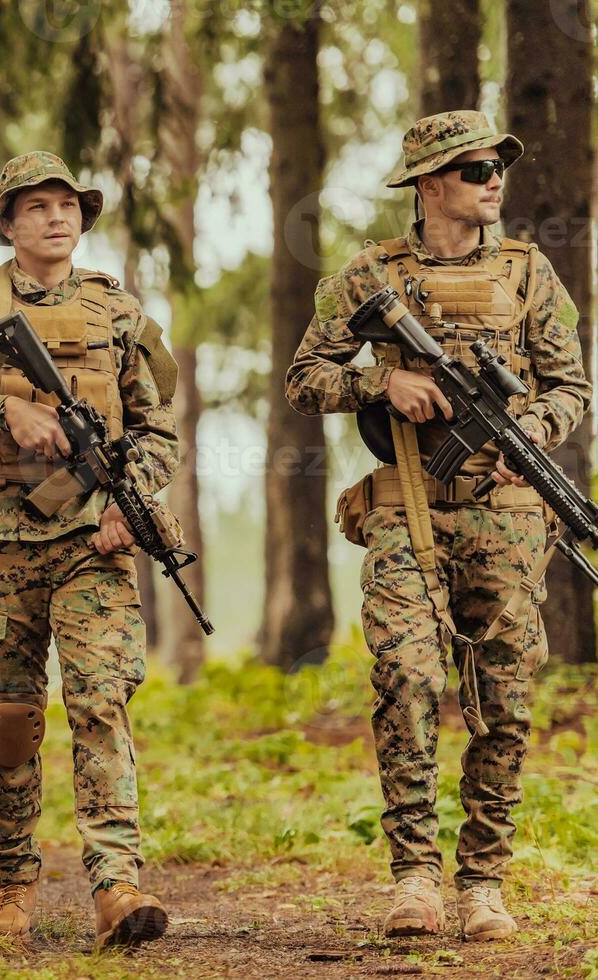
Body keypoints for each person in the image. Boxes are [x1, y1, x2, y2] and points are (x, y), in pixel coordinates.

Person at [285, 109, 590, 942]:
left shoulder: (530, 273)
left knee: (506, 697)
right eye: (475, 169)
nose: (494, 180)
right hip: (405, 512)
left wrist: (531, 435)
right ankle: (415, 877)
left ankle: (483, 881)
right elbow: (305, 378)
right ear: (428, 186)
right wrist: (382, 385)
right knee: (409, 679)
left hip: (509, 521)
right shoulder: (368, 276)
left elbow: (571, 388)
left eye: (498, 167)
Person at [0, 151, 181, 949]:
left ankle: (116, 885)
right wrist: (2, 413)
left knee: (100, 697)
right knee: (13, 715)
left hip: (93, 537)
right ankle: (13, 885)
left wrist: (135, 505)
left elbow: (159, 431)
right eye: (38, 207)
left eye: (69, 205)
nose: (58, 217)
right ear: (9, 225)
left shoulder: (115, 310)